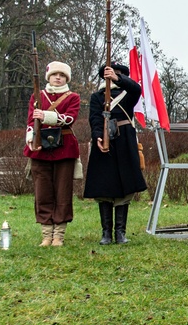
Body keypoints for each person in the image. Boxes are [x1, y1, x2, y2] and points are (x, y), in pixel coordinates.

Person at [84, 64, 147, 245]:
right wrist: (98, 137)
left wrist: (119, 78)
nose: (112, 76)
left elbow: (136, 88)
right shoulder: (97, 97)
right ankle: (106, 233)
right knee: (104, 187)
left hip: (125, 141)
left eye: (117, 74)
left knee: (124, 186)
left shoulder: (128, 94)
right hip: (105, 141)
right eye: (110, 74)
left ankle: (120, 232)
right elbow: (95, 118)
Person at [23, 61, 81, 247]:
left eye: (62, 75)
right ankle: (46, 234)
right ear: (49, 77)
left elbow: (69, 119)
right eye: (55, 74)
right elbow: (31, 120)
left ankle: (59, 236)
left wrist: (46, 116)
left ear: (66, 78)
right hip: (40, 149)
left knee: (63, 192)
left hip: (64, 148)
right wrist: (30, 138)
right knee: (43, 192)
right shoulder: (37, 96)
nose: (58, 78)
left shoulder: (73, 97)